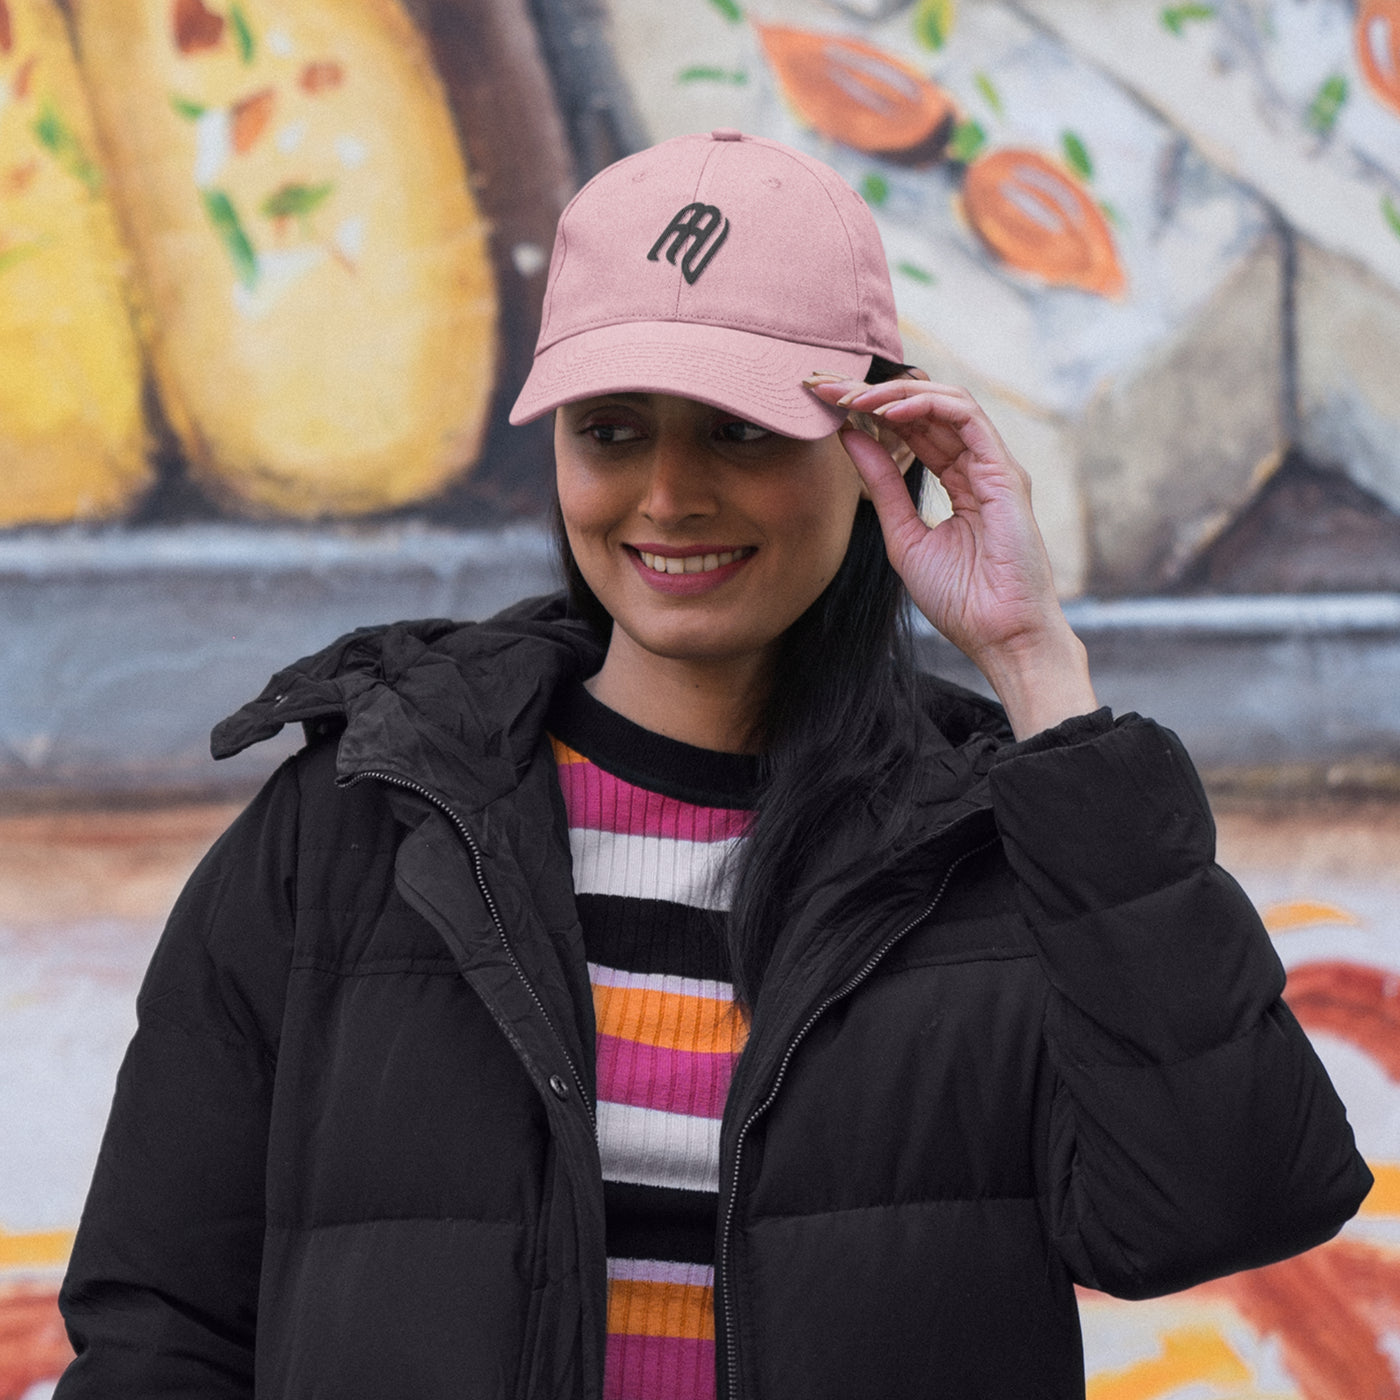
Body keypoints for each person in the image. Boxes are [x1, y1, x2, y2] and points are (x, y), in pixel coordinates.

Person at [55, 130, 1370, 1400]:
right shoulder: (353, 829)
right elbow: (162, 1324)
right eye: (613, 430)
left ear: (879, 450)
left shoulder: (998, 853)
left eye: (739, 431)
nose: (669, 495)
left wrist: (1035, 663)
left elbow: (1226, 1201)